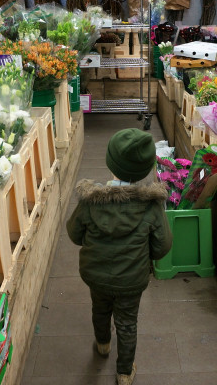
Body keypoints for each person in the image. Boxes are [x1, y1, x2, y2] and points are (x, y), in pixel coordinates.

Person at [66, 128, 173, 385]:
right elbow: (163, 245)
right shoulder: (151, 206)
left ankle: (102, 344)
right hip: (131, 280)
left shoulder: (91, 201)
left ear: (110, 161)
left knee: (99, 308)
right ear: (144, 169)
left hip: (96, 274)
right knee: (127, 322)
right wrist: (146, 255)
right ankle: (124, 372)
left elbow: (74, 233)